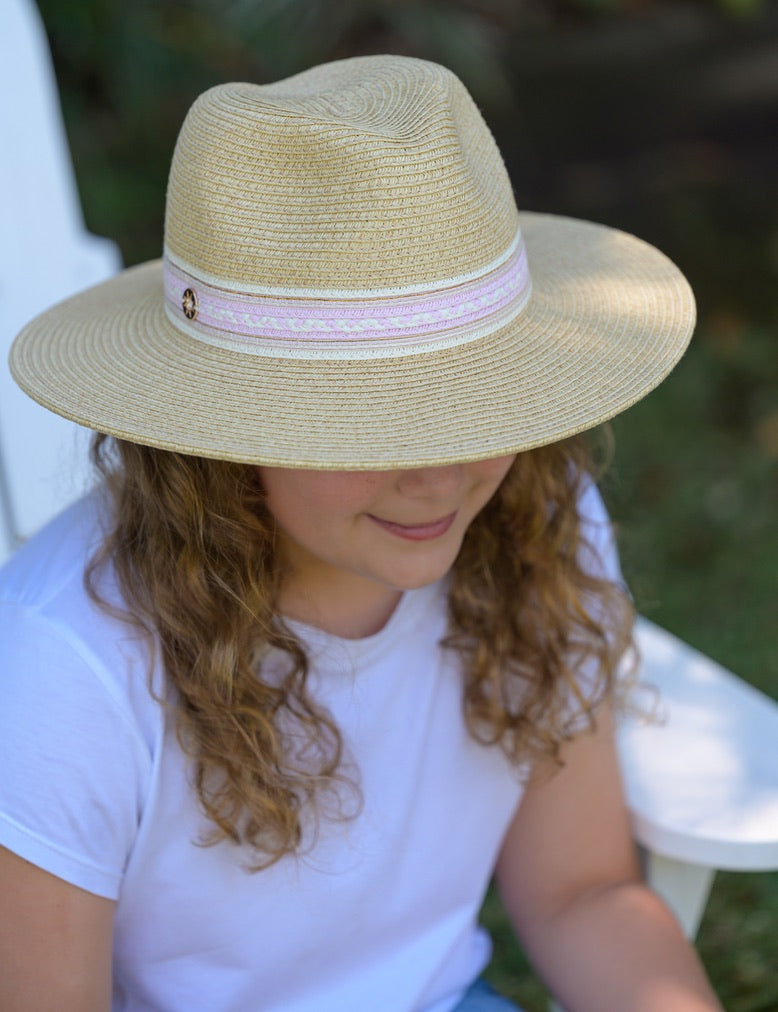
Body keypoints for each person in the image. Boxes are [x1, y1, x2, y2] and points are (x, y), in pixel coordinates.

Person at [0, 55, 721, 1011]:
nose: (440, 474)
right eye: (365, 425)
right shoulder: (67, 672)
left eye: (473, 406)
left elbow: (582, 891)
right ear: (225, 427)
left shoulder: (535, 517)